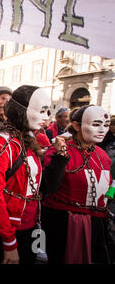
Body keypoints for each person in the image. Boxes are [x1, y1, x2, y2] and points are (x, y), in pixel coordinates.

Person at [0, 85, 53, 264]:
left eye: (48, 111)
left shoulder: (33, 139)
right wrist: (9, 242)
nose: (47, 117)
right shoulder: (0, 143)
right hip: (8, 229)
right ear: (21, 111)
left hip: (31, 224)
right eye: (41, 111)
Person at [41, 105, 113, 264]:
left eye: (106, 125)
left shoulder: (103, 156)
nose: (102, 130)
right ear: (76, 126)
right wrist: (61, 156)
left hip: (96, 225)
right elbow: (49, 186)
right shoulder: (58, 150)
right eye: (96, 124)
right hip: (62, 224)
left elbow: (107, 188)